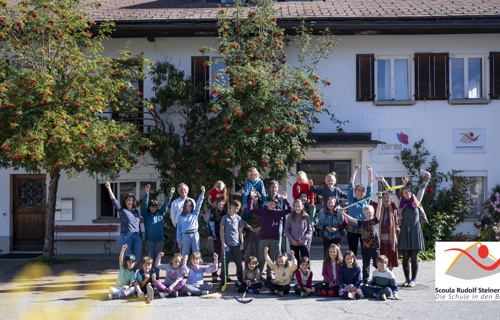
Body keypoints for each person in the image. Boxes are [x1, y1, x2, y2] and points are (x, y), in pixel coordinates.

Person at [391, 170, 431, 287]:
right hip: (405, 231)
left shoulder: (416, 201)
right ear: (402, 195)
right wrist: (384, 181)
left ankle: (413, 279)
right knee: (405, 257)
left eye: (409, 191)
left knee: (414, 256)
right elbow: (393, 194)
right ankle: (407, 279)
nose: (408, 193)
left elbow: (422, 188)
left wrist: (427, 177)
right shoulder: (401, 204)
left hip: (415, 231)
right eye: (405, 192)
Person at [248, 191, 292, 278]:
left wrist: (285, 199)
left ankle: (269, 275)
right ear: (268, 203)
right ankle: (258, 275)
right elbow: (250, 209)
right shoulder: (262, 211)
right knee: (261, 259)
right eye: (271, 203)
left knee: (271, 259)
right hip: (264, 238)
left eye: (274, 204)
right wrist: (252, 198)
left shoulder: (278, 212)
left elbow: (290, 209)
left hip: (274, 239)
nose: (273, 205)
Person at [340, 203, 381, 284]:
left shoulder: (375, 221)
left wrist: (380, 198)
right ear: (364, 214)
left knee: (377, 264)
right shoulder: (362, 223)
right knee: (365, 265)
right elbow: (351, 219)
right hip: (365, 247)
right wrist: (343, 213)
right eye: (366, 213)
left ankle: (378, 279)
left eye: (369, 212)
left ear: (373, 213)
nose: (368, 214)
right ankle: (365, 280)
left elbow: (379, 210)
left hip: (375, 246)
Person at [142, 184, 175, 278]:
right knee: (149, 259)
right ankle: (149, 276)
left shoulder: (160, 214)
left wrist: (170, 194)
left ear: (157, 207)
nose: (153, 208)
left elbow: (165, 205)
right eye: (151, 206)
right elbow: (144, 205)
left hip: (159, 240)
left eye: (155, 206)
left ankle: (156, 276)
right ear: (149, 207)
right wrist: (147, 193)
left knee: (157, 258)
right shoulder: (146, 214)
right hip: (149, 240)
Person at [105, 180, 142, 265]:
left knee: (137, 258)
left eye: (132, 201)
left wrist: (140, 236)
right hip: (126, 236)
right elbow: (114, 200)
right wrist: (109, 188)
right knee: (126, 258)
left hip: (137, 236)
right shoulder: (122, 210)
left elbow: (138, 225)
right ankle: (126, 276)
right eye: (128, 200)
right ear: (125, 201)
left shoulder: (136, 211)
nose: (130, 202)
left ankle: (134, 276)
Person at [346, 164, 373, 256]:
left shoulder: (366, 200)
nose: (360, 192)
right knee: (352, 252)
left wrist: (370, 172)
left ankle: (365, 269)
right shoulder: (351, 200)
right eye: (358, 190)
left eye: (362, 190)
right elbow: (350, 185)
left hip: (364, 228)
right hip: (352, 229)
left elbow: (370, 186)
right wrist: (355, 171)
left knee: (365, 251)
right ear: (355, 191)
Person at [375, 175, 400, 270]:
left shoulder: (393, 206)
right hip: (381, 236)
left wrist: (384, 182)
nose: (386, 199)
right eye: (384, 197)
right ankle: (382, 272)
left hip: (391, 236)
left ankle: (390, 273)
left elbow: (392, 193)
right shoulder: (379, 206)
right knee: (382, 254)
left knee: (391, 254)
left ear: (390, 199)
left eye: (387, 197)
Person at [219, 199, 244, 288]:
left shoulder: (238, 218)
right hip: (227, 245)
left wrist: (242, 243)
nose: (236, 210)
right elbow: (221, 231)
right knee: (225, 263)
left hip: (236, 244)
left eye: (237, 209)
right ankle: (223, 279)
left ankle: (240, 279)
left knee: (239, 263)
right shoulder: (225, 218)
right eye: (234, 208)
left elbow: (240, 232)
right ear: (231, 207)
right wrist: (223, 243)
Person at [176, 186, 205, 257]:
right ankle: (184, 267)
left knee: (196, 254)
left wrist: (202, 194)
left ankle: (197, 267)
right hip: (185, 236)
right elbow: (178, 230)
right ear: (184, 207)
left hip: (195, 235)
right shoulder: (180, 217)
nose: (188, 208)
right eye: (187, 206)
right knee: (184, 255)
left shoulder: (195, 213)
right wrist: (179, 241)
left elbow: (198, 205)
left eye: (190, 206)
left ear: (192, 207)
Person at [285, 199, 313, 263]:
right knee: (295, 262)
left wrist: (304, 239)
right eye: (296, 206)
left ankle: (306, 273)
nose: (298, 208)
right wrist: (292, 240)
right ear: (293, 207)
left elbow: (310, 230)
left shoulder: (306, 216)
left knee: (305, 260)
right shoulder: (290, 216)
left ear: (302, 206)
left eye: (299, 206)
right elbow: (286, 230)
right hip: (293, 243)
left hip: (303, 242)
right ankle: (296, 273)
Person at [170, 183, 194, 252]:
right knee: (179, 246)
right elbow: (173, 216)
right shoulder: (175, 203)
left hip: (190, 227)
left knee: (191, 246)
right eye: (181, 190)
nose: (183, 191)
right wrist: (177, 226)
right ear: (178, 192)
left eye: (184, 189)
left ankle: (190, 261)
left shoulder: (192, 201)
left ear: (187, 191)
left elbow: (195, 214)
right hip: (179, 227)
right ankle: (179, 262)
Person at [208, 198, 227, 282]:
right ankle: (214, 274)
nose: (221, 206)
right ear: (216, 205)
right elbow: (210, 223)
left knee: (225, 255)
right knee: (217, 255)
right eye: (219, 204)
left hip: (225, 236)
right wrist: (211, 234)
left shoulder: (226, 212)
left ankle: (224, 274)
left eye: (222, 204)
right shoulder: (213, 212)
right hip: (217, 235)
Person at [242, 191, 261, 265]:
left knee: (259, 252)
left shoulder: (262, 207)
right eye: (252, 197)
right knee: (248, 252)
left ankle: (258, 270)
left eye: (256, 197)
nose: (254, 199)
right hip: (249, 230)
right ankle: (247, 270)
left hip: (259, 231)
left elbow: (265, 219)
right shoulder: (246, 208)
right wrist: (250, 228)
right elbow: (242, 220)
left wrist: (259, 228)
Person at [268, 181, 286, 254]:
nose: (274, 189)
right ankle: (270, 265)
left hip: (279, 223)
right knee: (268, 245)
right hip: (268, 223)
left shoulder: (281, 199)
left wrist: (284, 227)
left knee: (278, 245)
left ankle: (279, 264)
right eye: (272, 187)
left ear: (278, 188)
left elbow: (284, 213)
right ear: (269, 188)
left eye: (275, 187)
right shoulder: (266, 198)